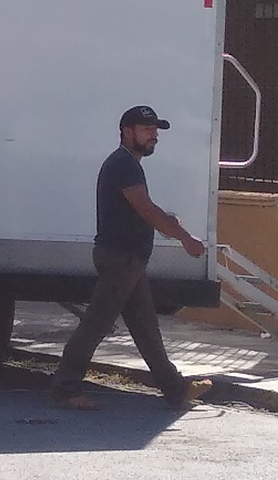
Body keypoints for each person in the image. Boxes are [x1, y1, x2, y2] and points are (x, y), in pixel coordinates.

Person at [50, 105, 214, 411]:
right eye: (146, 130)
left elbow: (141, 209)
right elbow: (145, 209)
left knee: (145, 328)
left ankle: (176, 390)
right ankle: (65, 388)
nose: (153, 137)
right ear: (127, 132)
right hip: (121, 259)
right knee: (96, 325)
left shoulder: (128, 165)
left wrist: (167, 221)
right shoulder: (124, 165)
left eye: (154, 131)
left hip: (129, 260)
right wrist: (184, 238)